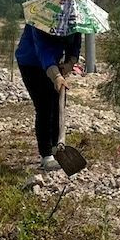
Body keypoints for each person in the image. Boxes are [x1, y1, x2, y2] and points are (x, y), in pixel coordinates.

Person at [14, 22, 83, 170]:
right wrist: (56, 76)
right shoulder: (39, 20)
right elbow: (43, 51)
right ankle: (46, 155)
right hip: (31, 62)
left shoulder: (75, 20)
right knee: (44, 106)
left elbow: (75, 44)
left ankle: (56, 147)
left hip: (53, 62)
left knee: (58, 104)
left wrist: (70, 63)